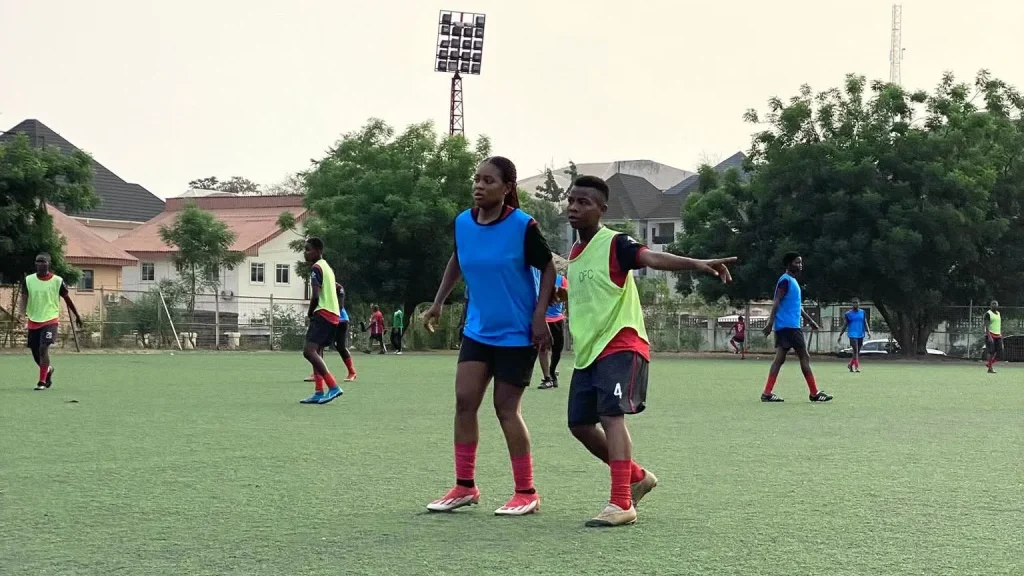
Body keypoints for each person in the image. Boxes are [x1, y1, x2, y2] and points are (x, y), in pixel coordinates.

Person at [565, 176, 736, 527]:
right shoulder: (575, 254)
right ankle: (638, 477)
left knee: (611, 416)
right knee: (580, 424)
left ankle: (621, 503)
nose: (574, 207)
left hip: (621, 343)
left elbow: (652, 257)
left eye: (584, 202)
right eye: (571, 200)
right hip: (588, 351)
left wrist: (697, 263)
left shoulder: (615, 243)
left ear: (602, 209)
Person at [422, 156, 556, 516]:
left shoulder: (522, 226)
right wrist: (438, 303)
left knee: (505, 409)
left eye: (488, 181)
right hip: (478, 330)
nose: (479, 186)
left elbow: (548, 266)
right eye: (476, 180)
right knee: (465, 401)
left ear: (507, 188)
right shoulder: (464, 223)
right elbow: (458, 259)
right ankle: (465, 486)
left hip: (517, 333)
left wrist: (540, 315)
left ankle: (526, 492)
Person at [761, 252, 833, 403]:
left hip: (786, 327)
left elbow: (796, 307)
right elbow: (776, 302)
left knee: (779, 360)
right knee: (804, 357)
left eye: (800, 262)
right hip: (790, 327)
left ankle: (767, 393)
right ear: (788, 264)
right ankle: (814, 393)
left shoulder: (793, 282)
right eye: (796, 262)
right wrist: (769, 323)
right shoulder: (785, 280)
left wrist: (810, 321)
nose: (800, 265)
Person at [20, 253, 82, 390]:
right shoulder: (28, 280)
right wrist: (21, 313)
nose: (41, 264)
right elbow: (24, 297)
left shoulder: (57, 281)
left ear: (49, 264)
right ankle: (48, 370)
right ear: (35, 264)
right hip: (33, 319)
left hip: (50, 319)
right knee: (35, 351)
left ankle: (42, 381)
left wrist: (77, 315)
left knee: (43, 348)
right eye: (38, 262)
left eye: (43, 262)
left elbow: (67, 299)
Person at [299, 238, 344, 405]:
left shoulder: (316, 268)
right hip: (333, 315)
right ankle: (319, 391)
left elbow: (316, 296)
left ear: (318, 251)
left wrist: (310, 312)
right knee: (316, 352)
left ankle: (333, 386)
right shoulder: (327, 268)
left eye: (308, 249)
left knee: (308, 351)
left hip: (323, 314)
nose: (305, 253)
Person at [304, 282, 358, 383]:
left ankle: (352, 372)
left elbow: (340, 306)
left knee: (340, 346)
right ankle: (317, 374)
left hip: (341, 320)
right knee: (317, 346)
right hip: (326, 319)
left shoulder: (338, 287)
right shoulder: (320, 288)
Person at [538, 274, 568, 389]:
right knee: (543, 349)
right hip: (543, 319)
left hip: (557, 319)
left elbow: (568, 296)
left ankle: (552, 371)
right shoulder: (538, 278)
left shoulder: (562, 280)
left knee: (557, 349)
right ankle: (547, 378)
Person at [838, 298, 870, 373]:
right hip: (852, 334)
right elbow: (845, 325)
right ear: (852, 304)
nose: (855, 304)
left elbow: (865, 322)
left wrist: (868, 331)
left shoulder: (862, 312)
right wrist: (840, 335)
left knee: (857, 352)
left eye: (856, 302)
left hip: (860, 334)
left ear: (859, 303)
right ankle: (856, 367)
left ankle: (850, 365)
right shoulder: (848, 314)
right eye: (853, 303)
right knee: (855, 350)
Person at [985, 300, 1002, 374]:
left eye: (996, 304)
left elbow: (998, 325)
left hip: (998, 335)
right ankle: (990, 368)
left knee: (1000, 352)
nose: (994, 305)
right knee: (991, 352)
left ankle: (989, 364)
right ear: (990, 306)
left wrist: (1001, 334)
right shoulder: (988, 314)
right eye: (993, 304)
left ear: (998, 305)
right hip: (991, 335)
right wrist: (989, 336)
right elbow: (986, 326)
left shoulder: (998, 313)